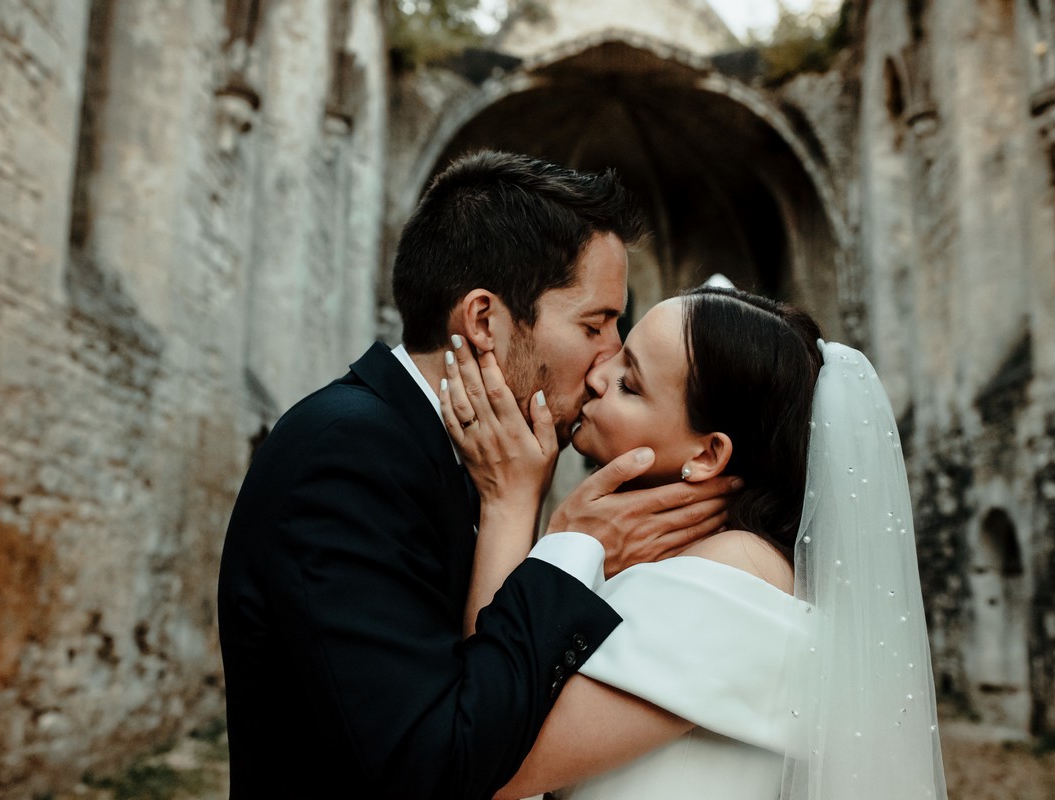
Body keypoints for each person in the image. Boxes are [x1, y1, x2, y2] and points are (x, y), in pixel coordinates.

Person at [216, 152, 739, 799]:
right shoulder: (346, 454)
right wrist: (566, 546)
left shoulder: (475, 461)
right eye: (595, 324)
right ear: (485, 321)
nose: (610, 360)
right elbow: (435, 765)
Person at [442, 285, 948, 800]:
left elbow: (487, 763)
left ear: (708, 455)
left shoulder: (733, 576)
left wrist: (516, 507)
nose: (596, 377)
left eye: (629, 384)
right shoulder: (691, 560)